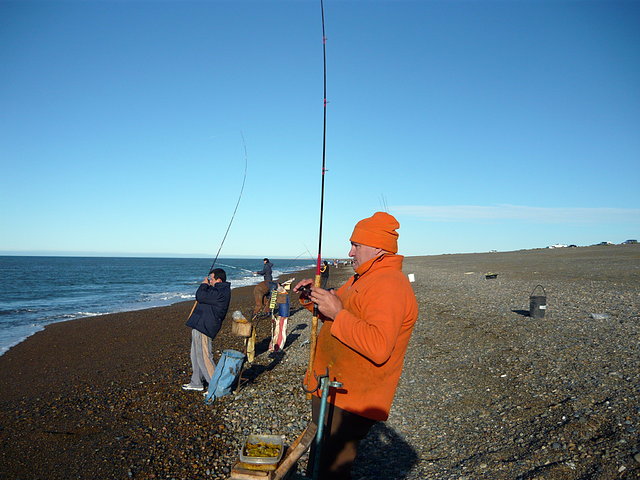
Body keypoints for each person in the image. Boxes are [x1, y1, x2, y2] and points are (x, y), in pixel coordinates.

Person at [294, 212, 418, 480]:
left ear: (377, 247)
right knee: (319, 462)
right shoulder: (361, 278)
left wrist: (338, 313)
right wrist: (314, 299)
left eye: (356, 245)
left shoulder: (389, 284)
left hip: (352, 398)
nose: (350, 252)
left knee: (331, 470)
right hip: (332, 388)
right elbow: (337, 308)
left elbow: (378, 346)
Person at [182, 268, 231, 391]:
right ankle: (196, 382)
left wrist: (204, 285)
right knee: (195, 355)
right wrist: (207, 286)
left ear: (219, 280)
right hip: (199, 324)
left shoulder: (222, 292)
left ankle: (216, 387)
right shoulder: (217, 290)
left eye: (212, 279)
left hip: (205, 326)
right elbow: (205, 297)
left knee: (204, 356)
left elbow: (200, 295)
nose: (210, 281)